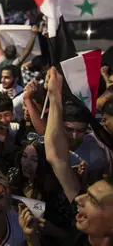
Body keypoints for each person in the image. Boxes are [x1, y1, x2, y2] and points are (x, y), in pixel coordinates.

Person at [44, 67, 113, 246]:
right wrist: (54, 95)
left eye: (93, 201)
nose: (79, 198)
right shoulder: (82, 235)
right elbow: (55, 156)